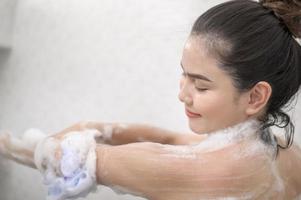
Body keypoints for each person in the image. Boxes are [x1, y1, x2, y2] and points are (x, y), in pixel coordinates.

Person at [0, 0, 301, 199]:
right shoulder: (285, 153)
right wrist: (92, 127)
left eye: (201, 86)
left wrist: (13, 146)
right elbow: (170, 139)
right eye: (185, 75)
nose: (182, 94)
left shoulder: (201, 170)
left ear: (256, 96)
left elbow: (66, 160)